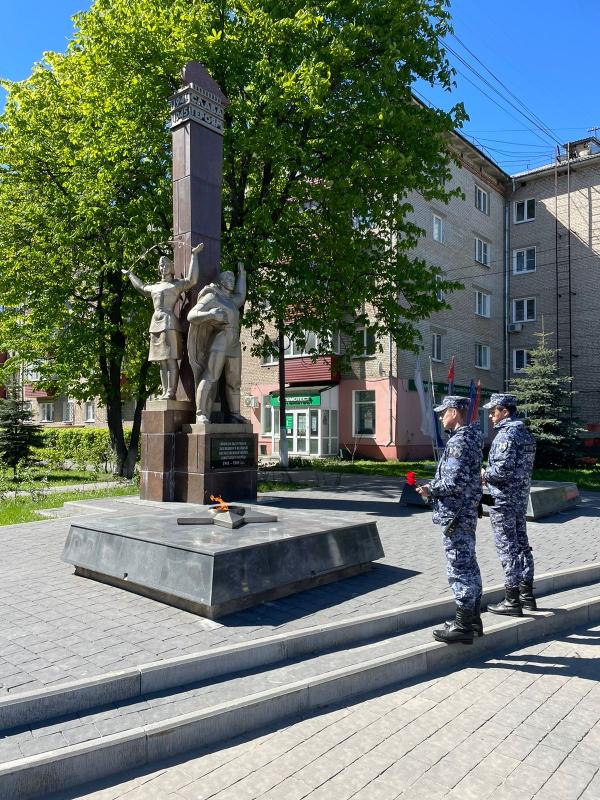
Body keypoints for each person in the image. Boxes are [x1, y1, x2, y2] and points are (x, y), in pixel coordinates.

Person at [416, 396, 484, 644]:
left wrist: (429, 489)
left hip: (455, 514)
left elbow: (452, 482)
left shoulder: (458, 442)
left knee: (459, 567)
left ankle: (463, 625)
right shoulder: (472, 439)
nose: (441, 416)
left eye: (444, 412)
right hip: (465, 512)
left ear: (454, 412)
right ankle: (472, 618)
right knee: (469, 564)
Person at [124, 243, 203, 399]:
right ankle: (164, 390)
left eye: (166, 264)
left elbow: (192, 280)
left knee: (170, 358)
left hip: (169, 322)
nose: (163, 267)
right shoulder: (154, 286)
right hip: (156, 323)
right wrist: (130, 274)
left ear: (171, 267)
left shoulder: (175, 284)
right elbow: (141, 287)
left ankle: (171, 392)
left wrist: (194, 255)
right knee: (161, 361)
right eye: (161, 265)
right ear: (158, 268)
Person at [482, 393, 537, 616]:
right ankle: (527, 596)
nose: (490, 416)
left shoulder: (506, 435)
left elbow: (502, 471)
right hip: (519, 499)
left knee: (508, 548)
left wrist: (485, 473)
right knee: (522, 545)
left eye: (493, 411)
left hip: (503, 499)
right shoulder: (525, 433)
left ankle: (512, 600)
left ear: (505, 411)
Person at [187, 262, 247, 424]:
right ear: (220, 281)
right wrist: (211, 314)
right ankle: (201, 414)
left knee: (235, 382)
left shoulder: (232, 300)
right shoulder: (212, 296)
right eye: (228, 277)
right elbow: (192, 315)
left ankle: (235, 415)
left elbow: (241, 295)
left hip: (234, 344)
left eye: (232, 277)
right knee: (211, 376)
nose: (231, 279)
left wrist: (242, 275)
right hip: (220, 341)